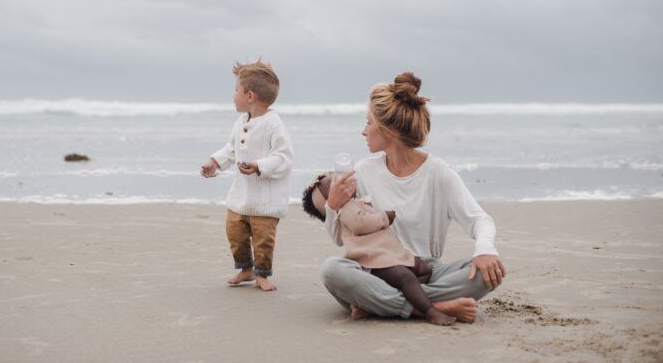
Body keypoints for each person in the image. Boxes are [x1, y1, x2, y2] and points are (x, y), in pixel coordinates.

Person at [320, 72, 506, 322]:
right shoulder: (363, 171)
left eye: (368, 122)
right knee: (333, 270)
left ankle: (384, 306)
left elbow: (479, 220)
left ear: (389, 130)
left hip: (426, 270)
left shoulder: (439, 173)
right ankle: (433, 306)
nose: (363, 131)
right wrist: (334, 205)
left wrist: (485, 249)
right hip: (377, 269)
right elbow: (340, 240)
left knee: (487, 273)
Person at [302, 173, 457, 325]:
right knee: (406, 278)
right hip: (375, 259)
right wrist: (385, 217)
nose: (344, 183)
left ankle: (393, 299)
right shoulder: (345, 210)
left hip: (393, 254)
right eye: (335, 186)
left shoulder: (358, 203)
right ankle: (429, 310)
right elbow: (360, 223)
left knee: (425, 270)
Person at [200, 59, 294, 291]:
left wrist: (259, 165)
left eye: (236, 90)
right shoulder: (241, 121)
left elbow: (284, 158)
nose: (233, 95)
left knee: (263, 239)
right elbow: (232, 149)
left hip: (266, 200)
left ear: (250, 95)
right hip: (240, 196)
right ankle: (245, 269)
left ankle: (262, 273)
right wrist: (215, 162)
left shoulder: (274, 125)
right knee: (235, 232)